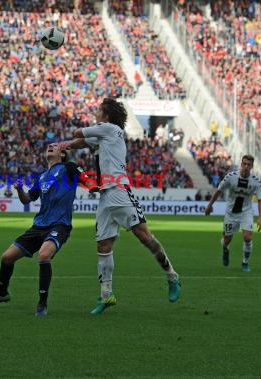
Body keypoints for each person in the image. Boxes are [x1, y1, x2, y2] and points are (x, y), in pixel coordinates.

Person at [60, 98, 181, 315]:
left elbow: (79, 134)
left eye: (98, 110)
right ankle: (107, 296)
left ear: (106, 114)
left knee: (144, 237)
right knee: (103, 246)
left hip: (120, 192)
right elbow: (82, 143)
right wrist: (65, 145)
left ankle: (172, 276)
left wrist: (68, 140)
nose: (96, 113)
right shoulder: (104, 136)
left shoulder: (109, 128)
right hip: (106, 195)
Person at [0, 143, 84, 316]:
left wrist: (100, 186)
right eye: (49, 146)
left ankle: (42, 304)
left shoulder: (69, 168)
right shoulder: (43, 176)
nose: (51, 146)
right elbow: (27, 200)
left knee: (44, 256)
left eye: (56, 146)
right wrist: (20, 189)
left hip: (59, 224)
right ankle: (2, 294)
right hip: (39, 225)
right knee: (6, 258)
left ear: (62, 154)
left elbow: (88, 181)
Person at [204, 155, 261, 272]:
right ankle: (225, 249)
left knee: (247, 237)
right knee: (227, 240)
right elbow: (218, 191)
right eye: (244, 164)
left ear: (252, 166)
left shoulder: (256, 181)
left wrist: (260, 218)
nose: (246, 166)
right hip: (231, 213)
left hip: (246, 212)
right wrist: (209, 206)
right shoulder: (231, 177)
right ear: (241, 164)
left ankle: (245, 263)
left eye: (248, 164)